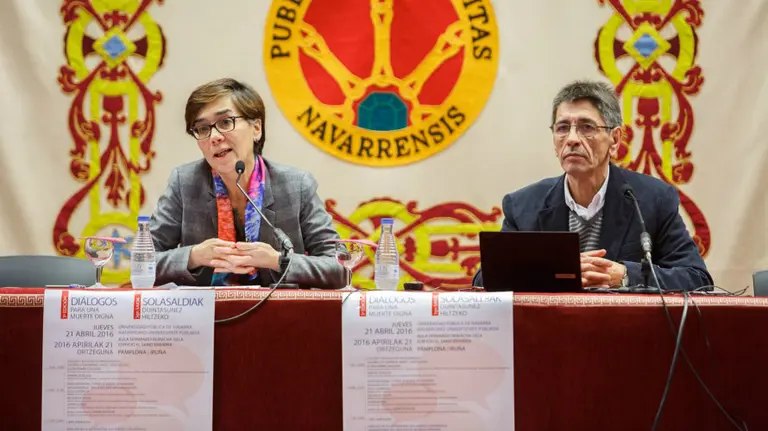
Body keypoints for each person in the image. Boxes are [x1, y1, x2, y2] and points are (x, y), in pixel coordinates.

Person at [473, 80, 712, 291]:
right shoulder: (523, 206)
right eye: (562, 128)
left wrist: (625, 276)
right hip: (553, 326)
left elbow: (698, 279)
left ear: (615, 140)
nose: (572, 139)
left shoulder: (653, 199)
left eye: (586, 127)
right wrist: (559, 270)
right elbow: (485, 280)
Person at [149, 78, 345, 289]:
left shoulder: (296, 186)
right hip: (207, 309)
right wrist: (193, 256)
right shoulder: (185, 183)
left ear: (256, 128)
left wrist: (278, 261)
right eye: (202, 128)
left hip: (279, 309)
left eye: (225, 122)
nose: (214, 137)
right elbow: (141, 262)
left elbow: (341, 269)